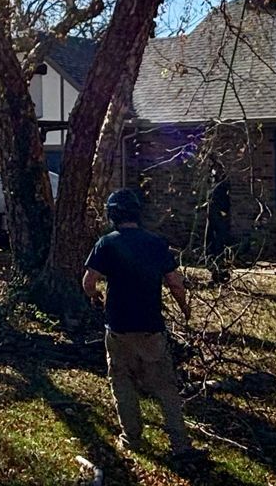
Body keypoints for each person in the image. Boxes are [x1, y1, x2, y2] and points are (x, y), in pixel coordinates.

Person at [82, 187, 197, 459]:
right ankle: (180, 444)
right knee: (166, 387)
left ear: (112, 215)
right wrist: (185, 309)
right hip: (151, 326)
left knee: (122, 382)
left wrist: (96, 297)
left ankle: (131, 438)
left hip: (118, 327)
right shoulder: (156, 243)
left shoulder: (106, 243)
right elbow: (175, 283)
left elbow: (88, 283)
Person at [204, 168, 233, 284]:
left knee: (218, 244)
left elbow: (224, 202)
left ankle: (220, 271)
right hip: (211, 219)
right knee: (209, 243)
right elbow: (211, 201)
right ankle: (212, 267)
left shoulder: (223, 186)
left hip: (218, 220)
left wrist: (222, 213)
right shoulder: (212, 187)